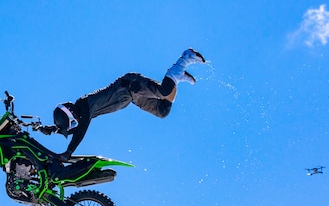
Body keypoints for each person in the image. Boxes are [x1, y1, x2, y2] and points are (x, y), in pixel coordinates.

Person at [40, 48, 206, 162]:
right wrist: (53, 129)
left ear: (71, 112)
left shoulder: (84, 105)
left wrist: (69, 152)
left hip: (130, 85)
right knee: (163, 111)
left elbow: (81, 129)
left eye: (72, 121)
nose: (76, 122)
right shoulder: (84, 113)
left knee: (163, 91)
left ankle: (184, 59)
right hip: (131, 98)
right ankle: (178, 77)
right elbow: (76, 128)